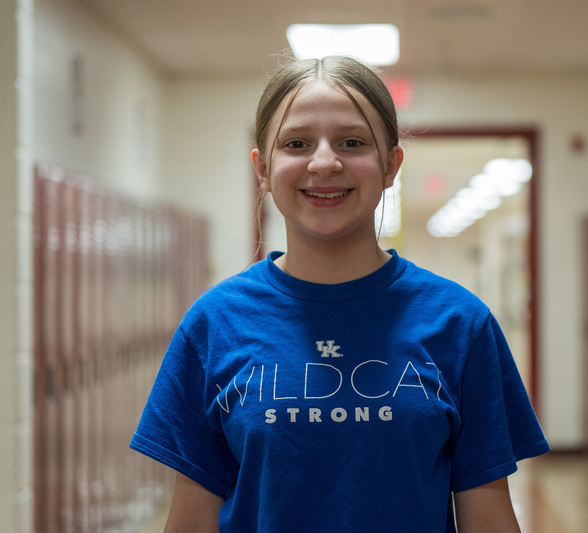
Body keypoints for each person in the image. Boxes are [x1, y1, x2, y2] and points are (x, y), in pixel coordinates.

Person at [130, 55, 549, 533]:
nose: (324, 162)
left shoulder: (460, 324)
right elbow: (191, 519)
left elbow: (489, 516)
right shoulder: (214, 324)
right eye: (297, 143)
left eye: (352, 142)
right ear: (263, 168)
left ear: (390, 164)